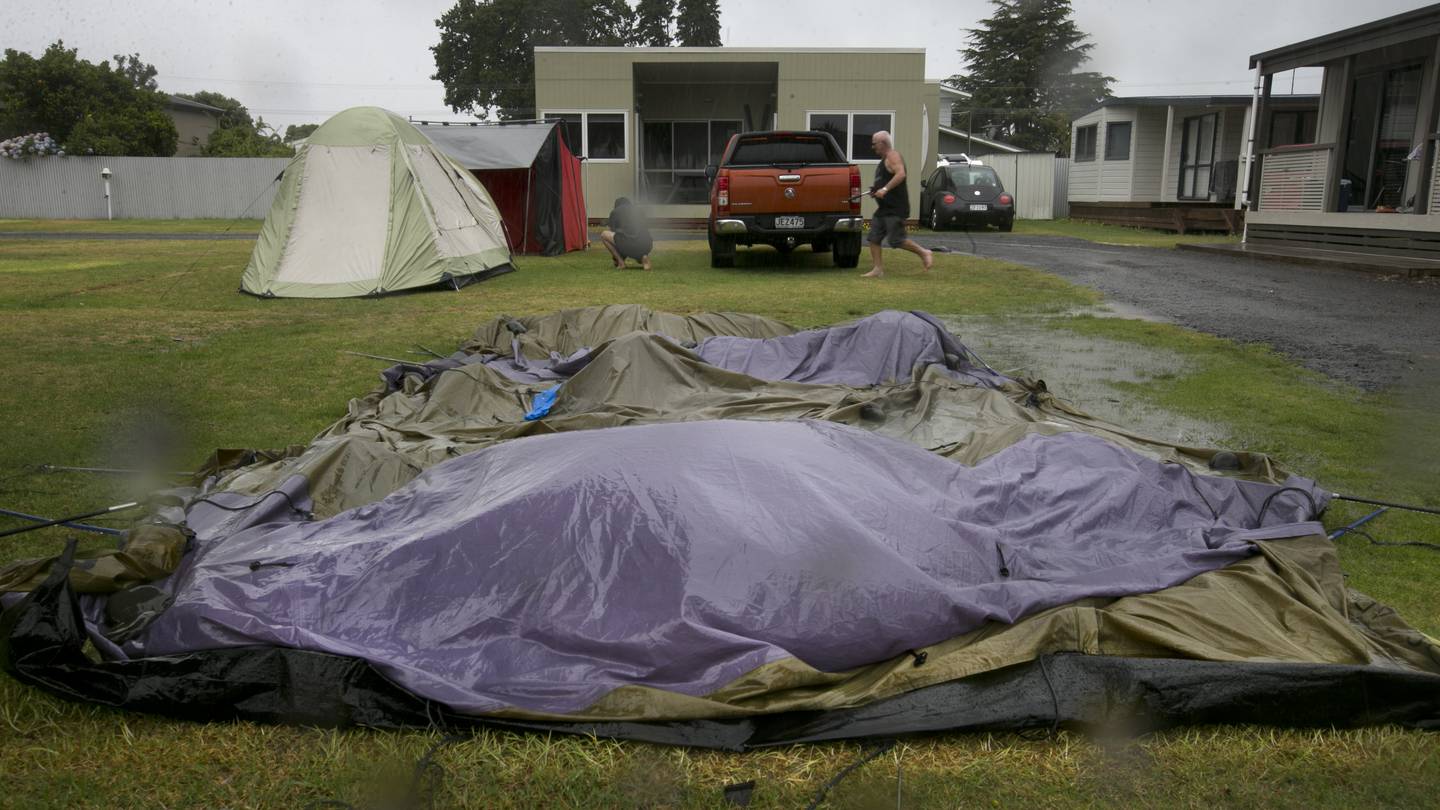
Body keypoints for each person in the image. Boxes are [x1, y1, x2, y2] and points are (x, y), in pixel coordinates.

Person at [861, 131, 933, 278]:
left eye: (874, 144)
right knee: (874, 238)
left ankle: (924, 252)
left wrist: (885, 189)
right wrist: (875, 190)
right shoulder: (883, 161)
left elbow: (900, 174)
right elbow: (885, 180)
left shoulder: (892, 156)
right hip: (883, 208)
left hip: (895, 208)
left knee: (896, 240)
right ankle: (878, 269)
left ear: (883, 143)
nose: (872, 147)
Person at [600, 197, 654, 270]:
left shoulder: (615, 212)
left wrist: (615, 257)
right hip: (647, 244)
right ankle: (644, 257)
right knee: (635, 241)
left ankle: (621, 262)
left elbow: (615, 234)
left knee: (604, 235)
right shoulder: (639, 210)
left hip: (628, 243)